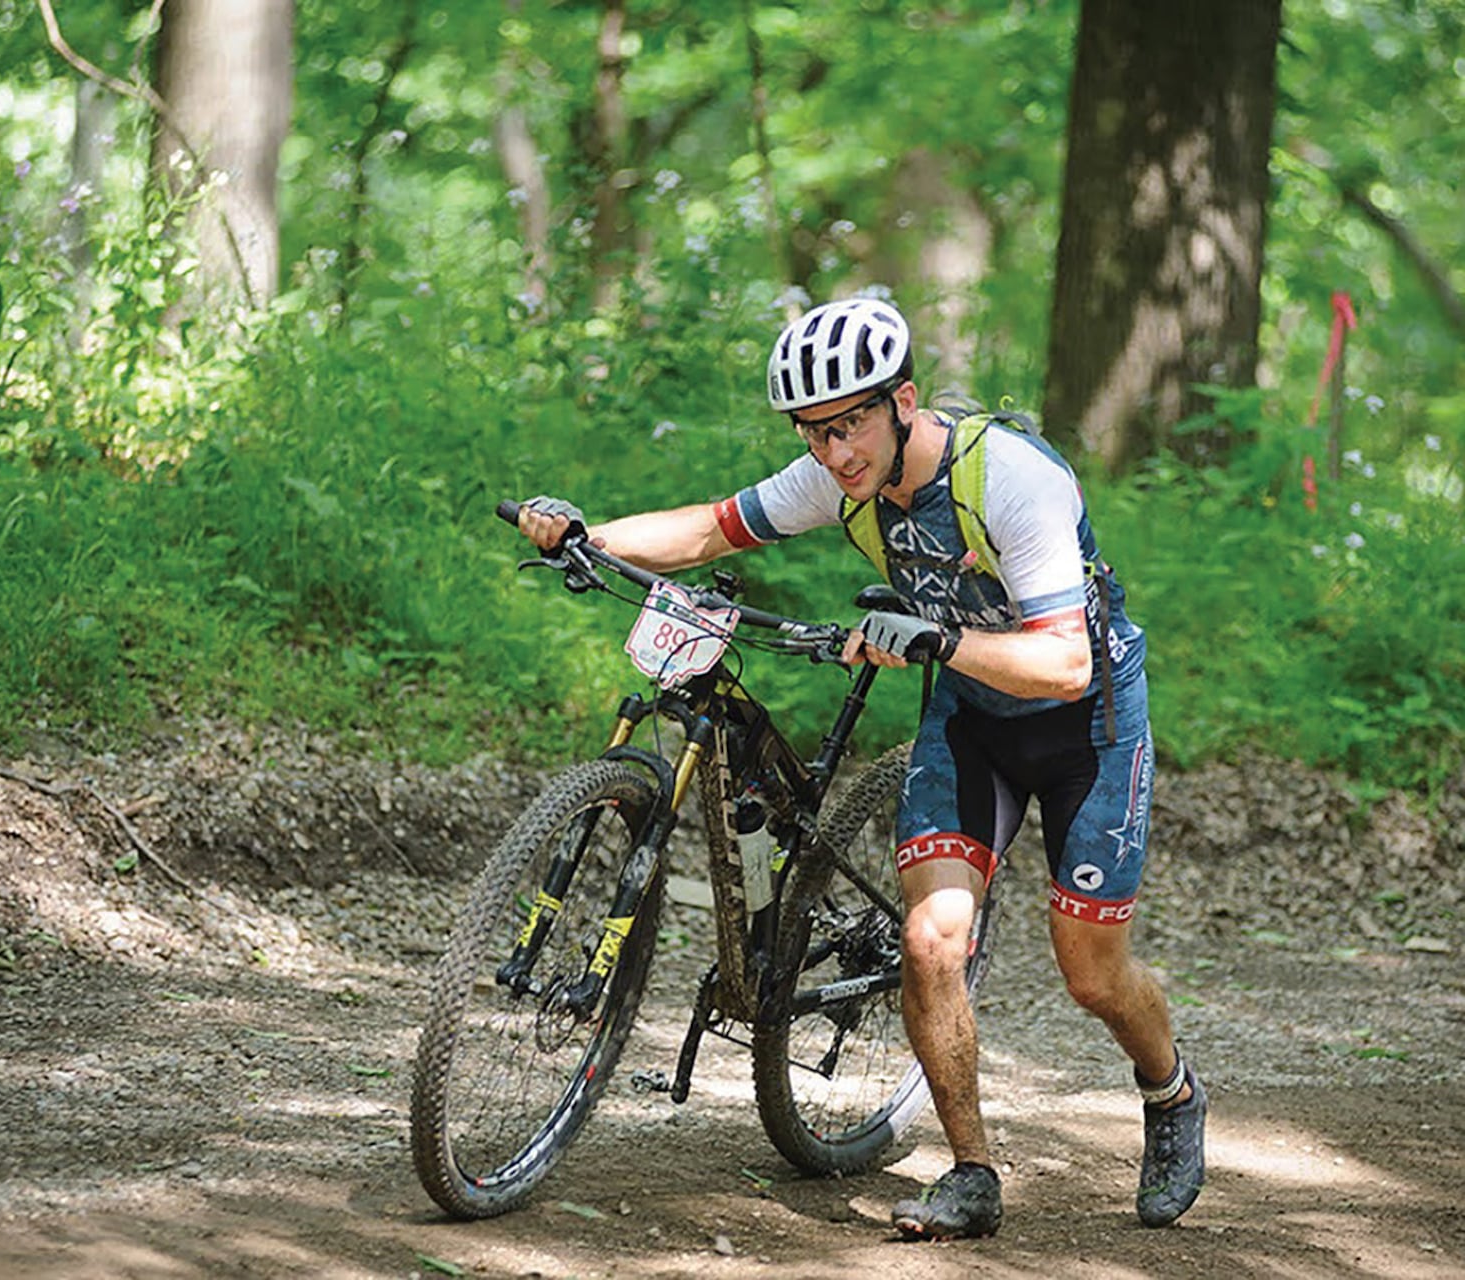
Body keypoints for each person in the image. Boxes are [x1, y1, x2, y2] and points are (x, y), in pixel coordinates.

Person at [516, 296, 1206, 1239]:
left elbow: (1065, 663)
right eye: (813, 432)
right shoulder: (841, 480)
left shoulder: (1010, 478)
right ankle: (971, 1174)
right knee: (930, 941)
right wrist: (587, 533)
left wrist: (937, 635)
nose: (835, 452)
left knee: (1091, 975)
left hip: (1088, 728)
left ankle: (1169, 1093)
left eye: (849, 424)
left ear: (904, 402)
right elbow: (712, 528)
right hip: (972, 722)